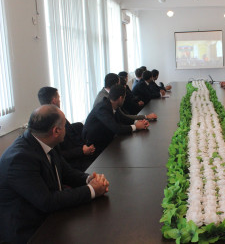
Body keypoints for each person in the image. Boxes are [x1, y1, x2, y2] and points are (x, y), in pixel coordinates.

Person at [0, 105, 109, 243]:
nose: (66, 129)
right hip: (29, 231)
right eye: (65, 125)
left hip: (50, 216)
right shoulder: (19, 159)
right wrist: (92, 190)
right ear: (56, 131)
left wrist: (90, 179)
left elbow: (67, 172)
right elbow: (47, 201)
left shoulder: (45, 141)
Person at [38, 87, 96, 171]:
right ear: (54, 100)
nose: (59, 101)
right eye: (59, 98)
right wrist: (81, 151)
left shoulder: (56, 116)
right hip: (70, 163)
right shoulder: (50, 124)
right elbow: (58, 154)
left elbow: (72, 136)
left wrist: (85, 147)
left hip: (78, 154)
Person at [82, 85, 150, 154]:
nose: (125, 99)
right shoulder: (102, 108)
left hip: (106, 138)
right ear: (120, 98)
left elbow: (123, 118)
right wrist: (136, 126)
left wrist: (137, 122)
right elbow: (117, 129)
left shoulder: (112, 104)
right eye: (125, 97)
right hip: (94, 146)